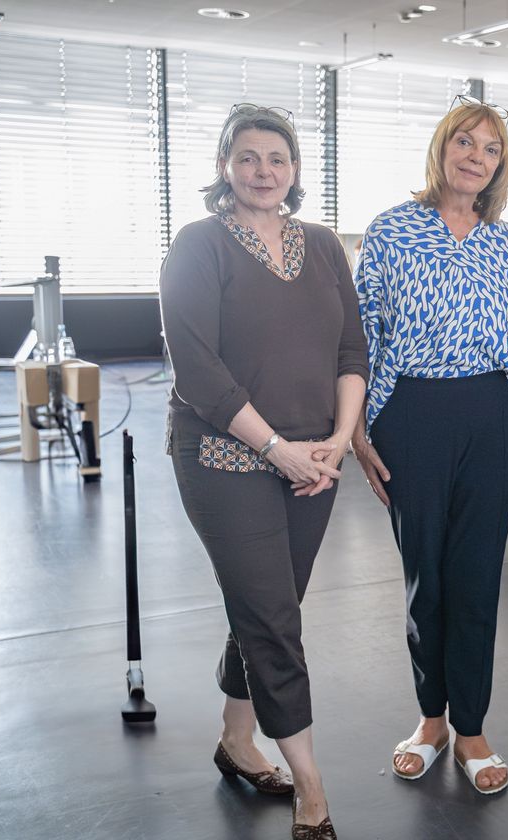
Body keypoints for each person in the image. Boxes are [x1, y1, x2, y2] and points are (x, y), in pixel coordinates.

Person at [160, 103, 369, 840]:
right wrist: (277, 446)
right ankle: (311, 786)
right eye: (247, 157)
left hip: (314, 461)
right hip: (226, 459)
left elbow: (351, 351)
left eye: (276, 158)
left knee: (266, 605)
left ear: (296, 169)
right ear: (224, 166)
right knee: (274, 618)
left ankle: (235, 737)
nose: (262, 171)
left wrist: (338, 441)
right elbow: (198, 372)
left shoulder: (324, 245)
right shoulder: (198, 246)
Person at [351, 96, 508, 797]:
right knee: (424, 577)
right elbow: (362, 335)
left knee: (476, 576)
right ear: (441, 148)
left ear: (501, 166)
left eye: (491, 149)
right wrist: (356, 429)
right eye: (465, 141)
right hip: (412, 412)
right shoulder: (390, 231)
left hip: (491, 412)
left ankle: (470, 727)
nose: (476, 157)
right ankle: (430, 719)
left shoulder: (503, 240)